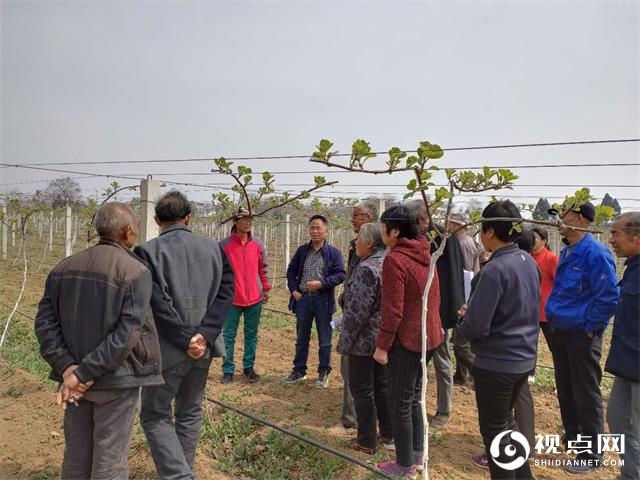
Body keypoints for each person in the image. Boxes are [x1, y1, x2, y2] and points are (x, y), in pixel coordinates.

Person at [34, 202, 163, 480]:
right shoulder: (135, 272)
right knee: (110, 463)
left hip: (74, 384)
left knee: (76, 457)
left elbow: (44, 325)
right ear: (127, 232)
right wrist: (84, 372)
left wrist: (69, 369)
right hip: (115, 380)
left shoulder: (63, 268)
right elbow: (128, 334)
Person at [135, 191, 234, 480]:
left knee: (155, 414)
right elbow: (225, 294)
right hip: (203, 350)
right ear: (189, 217)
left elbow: (156, 302)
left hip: (167, 351)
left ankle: (179, 476)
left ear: (156, 220)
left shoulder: (146, 252)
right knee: (190, 411)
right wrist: (203, 336)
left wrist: (184, 338)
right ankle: (183, 471)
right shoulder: (216, 249)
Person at [457, 200, 540, 480]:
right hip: (523, 359)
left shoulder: (494, 269)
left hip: (498, 364)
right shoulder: (527, 260)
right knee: (507, 426)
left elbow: (476, 326)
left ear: (489, 232)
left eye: (482, 228)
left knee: (495, 433)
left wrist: (463, 321)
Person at [545, 201, 618, 474]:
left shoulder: (596, 254)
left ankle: (591, 453)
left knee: (585, 393)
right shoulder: (567, 250)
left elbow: (609, 297)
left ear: (579, 219)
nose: (558, 222)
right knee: (566, 389)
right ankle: (575, 437)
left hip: (582, 335)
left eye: (562, 216)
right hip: (561, 332)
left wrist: (590, 328)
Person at [374, 205, 443, 479]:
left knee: (399, 402)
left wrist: (382, 345)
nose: (382, 232)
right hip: (428, 337)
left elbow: (393, 310)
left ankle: (404, 466)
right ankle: (416, 453)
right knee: (414, 398)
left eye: (384, 227)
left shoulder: (396, 260)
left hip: (408, 340)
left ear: (395, 231)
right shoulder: (427, 254)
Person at [336, 223, 393, 454]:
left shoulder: (367, 268)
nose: (355, 242)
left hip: (363, 342)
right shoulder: (387, 262)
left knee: (362, 391)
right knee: (381, 388)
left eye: (358, 238)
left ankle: (366, 441)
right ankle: (390, 436)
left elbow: (356, 313)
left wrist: (345, 343)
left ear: (369, 243)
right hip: (382, 339)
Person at [411, 200, 465, 429]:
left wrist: (449, 312)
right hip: (419, 309)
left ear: (424, 219)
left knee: (441, 360)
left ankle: (444, 409)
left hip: (438, 311)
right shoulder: (418, 238)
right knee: (418, 361)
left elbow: (453, 276)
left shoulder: (442, 237)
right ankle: (417, 405)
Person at [284, 214, 345, 388]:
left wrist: (322, 284)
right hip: (303, 300)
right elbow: (291, 271)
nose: (315, 231)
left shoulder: (334, 253)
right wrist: (295, 291)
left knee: (325, 340)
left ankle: (323, 373)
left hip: (323, 301)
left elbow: (341, 274)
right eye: (312, 227)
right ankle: (298, 371)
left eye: (318, 227)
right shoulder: (302, 251)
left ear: (326, 230)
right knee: (301, 338)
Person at [605, 212, 640, 480]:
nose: (611, 239)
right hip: (627, 364)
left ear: (636, 237)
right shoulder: (632, 267)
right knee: (617, 419)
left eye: (616, 233)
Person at [337, 202, 378, 430]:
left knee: (353, 371)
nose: (352, 220)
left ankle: (351, 421)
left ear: (368, 217)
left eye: (356, 216)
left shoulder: (370, 253)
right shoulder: (360, 247)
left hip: (361, 323)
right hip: (363, 318)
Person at [219, 208, 271, 384]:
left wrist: (265, 288)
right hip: (232, 299)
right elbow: (219, 271)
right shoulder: (224, 245)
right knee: (228, 335)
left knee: (252, 334)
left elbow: (262, 268)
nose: (248, 223)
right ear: (235, 221)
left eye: (250, 219)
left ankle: (248, 368)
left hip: (254, 298)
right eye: (244, 219)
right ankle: (227, 370)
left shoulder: (257, 244)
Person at [447, 211, 480, 386]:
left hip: (466, 298)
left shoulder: (464, 244)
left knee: (461, 343)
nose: (447, 225)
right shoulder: (459, 242)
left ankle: (479, 373)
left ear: (459, 225)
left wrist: (462, 301)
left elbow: (466, 275)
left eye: (451, 223)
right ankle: (460, 375)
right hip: (465, 297)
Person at [531, 227, 559, 351]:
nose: (531, 240)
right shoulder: (526, 257)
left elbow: (559, 283)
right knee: (529, 347)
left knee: (555, 347)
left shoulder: (551, 258)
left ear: (544, 241)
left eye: (535, 238)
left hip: (548, 311)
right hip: (531, 311)